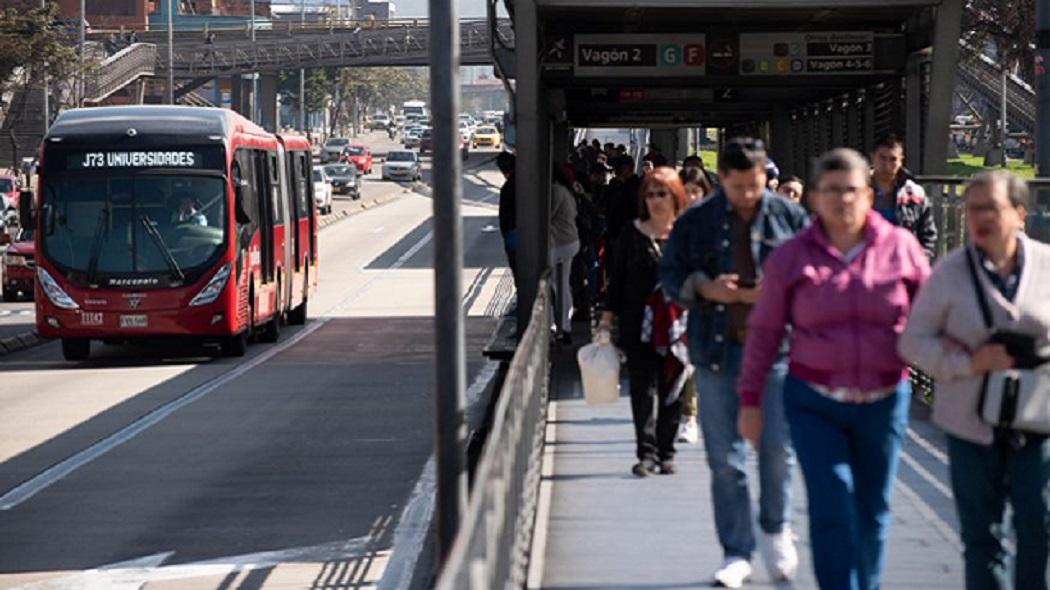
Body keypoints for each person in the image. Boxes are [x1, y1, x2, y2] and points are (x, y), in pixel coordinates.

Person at [737, 148, 929, 589]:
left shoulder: (900, 248)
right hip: (814, 400)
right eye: (832, 191)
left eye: (852, 190)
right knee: (831, 504)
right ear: (815, 198)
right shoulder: (791, 257)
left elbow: (931, 317)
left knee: (872, 508)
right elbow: (765, 332)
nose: (843, 200)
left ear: (869, 194)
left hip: (884, 398)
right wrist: (750, 400)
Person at [661, 138, 808, 587]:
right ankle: (736, 550)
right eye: (737, 185)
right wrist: (707, 289)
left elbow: (817, 276)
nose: (747, 194)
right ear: (721, 179)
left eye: (755, 184)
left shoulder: (790, 217)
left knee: (777, 451)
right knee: (725, 458)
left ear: (767, 177)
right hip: (716, 350)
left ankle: (775, 527)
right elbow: (671, 276)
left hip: (778, 352)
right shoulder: (696, 222)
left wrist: (779, 290)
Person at [899, 170, 1050, 590]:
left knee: (1039, 526)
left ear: (1020, 213)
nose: (980, 217)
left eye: (991, 208)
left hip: (1037, 421)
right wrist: (969, 361)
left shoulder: (1047, 265)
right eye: (972, 209)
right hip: (969, 420)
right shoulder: (949, 272)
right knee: (982, 537)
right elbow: (913, 342)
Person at [600, 167, 691, 475]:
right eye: (650, 195)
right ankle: (647, 453)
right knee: (643, 389)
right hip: (638, 323)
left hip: (678, 326)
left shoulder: (687, 233)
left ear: (675, 196)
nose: (655, 200)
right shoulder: (631, 232)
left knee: (673, 387)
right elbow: (618, 278)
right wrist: (606, 319)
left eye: (662, 193)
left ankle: (667, 451)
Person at [871, 134, 938, 259]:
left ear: (901, 160)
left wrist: (919, 261)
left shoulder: (915, 193)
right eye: (882, 158)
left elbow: (928, 235)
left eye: (893, 159)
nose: (887, 165)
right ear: (873, 157)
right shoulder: (857, 191)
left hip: (904, 265)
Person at [550, 165, 580, 343]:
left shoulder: (555, 191)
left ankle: (560, 326)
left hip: (560, 243)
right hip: (570, 241)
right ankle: (564, 324)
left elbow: (546, 215)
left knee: (553, 285)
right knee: (562, 284)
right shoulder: (567, 191)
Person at [496, 151, 518, 290]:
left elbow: (506, 215)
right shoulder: (525, 182)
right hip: (516, 233)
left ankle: (522, 300)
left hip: (513, 234)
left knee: (517, 268)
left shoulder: (508, 188)